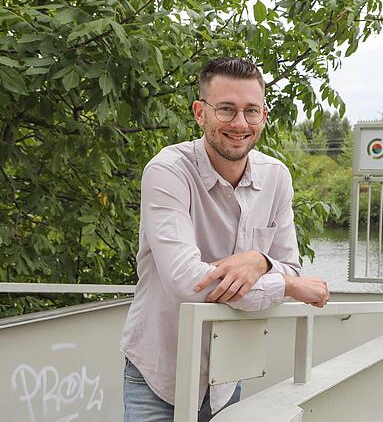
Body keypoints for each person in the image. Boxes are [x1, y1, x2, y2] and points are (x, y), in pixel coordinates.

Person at [120, 57, 329, 421]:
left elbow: (290, 263)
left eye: (251, 111)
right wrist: (287, 287)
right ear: (200, 112)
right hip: (159, 374)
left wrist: (259, 261)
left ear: (264, 115)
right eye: (226, 110)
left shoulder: (276, 177)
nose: (239, 123)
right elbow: (189, 283)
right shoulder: (168, 172)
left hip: (227, 377)